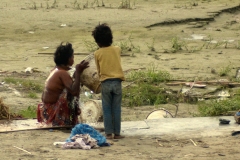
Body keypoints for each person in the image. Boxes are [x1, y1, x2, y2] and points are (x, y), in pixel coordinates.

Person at [37, 42, 89, 126]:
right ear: (68, 59)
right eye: (72, 57)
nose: (73, 59)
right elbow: (74, 91)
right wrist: (78, 73)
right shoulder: (62, 73)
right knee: (68, 93)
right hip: (51, 111)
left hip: (45, 110)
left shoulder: (55, 70)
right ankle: (64, 120)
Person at [92, 23, 125, 139]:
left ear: (98, 42)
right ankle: (117, 133)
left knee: (106, 108)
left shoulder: (97, 53)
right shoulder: (117, 49)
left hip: (105, 83)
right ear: (110, 38)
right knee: (116, 108)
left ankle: (108, 133)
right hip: (117, 82)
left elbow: (98, 70)